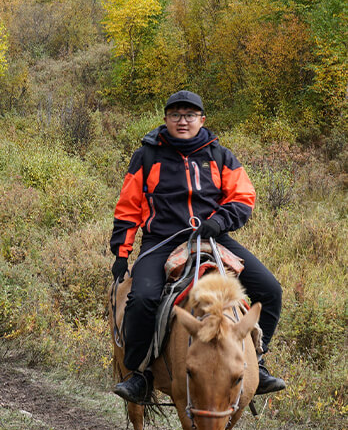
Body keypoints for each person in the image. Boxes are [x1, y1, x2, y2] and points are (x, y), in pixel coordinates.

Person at [110, 90, 286, 404]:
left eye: (190, 115)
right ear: (166, 119)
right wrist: (122, 253)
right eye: (176, 115)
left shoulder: (219, 155)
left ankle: (257, 362)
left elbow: (243, 197)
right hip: (161, 240)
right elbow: (128, 207)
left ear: (201, 120)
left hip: (213, 238)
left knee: (271, 290)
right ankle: (140, 374)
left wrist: (218, 222)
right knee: (143, 298)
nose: (183, 121)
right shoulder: (147, 156)